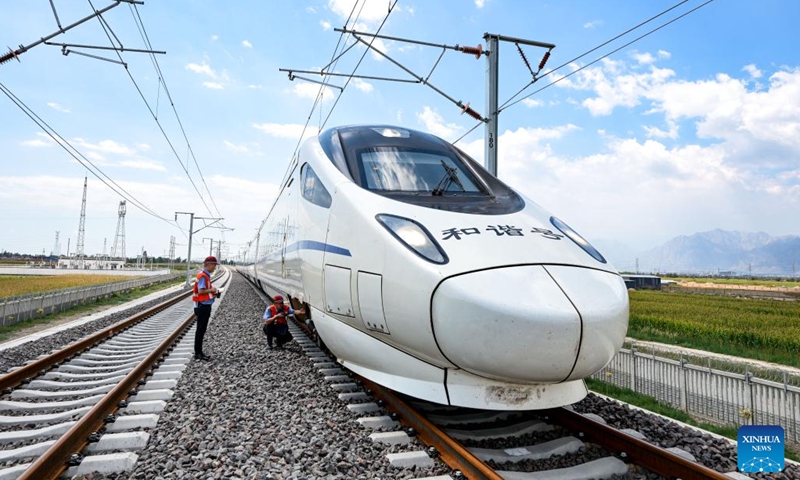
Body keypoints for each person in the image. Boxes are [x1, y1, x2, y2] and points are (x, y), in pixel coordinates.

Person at [192, 256, 220, 360]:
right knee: (200, 330)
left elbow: (204, 292)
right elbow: (201, 291)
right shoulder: (203, 276)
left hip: (203, 305)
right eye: (214, 265)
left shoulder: (205, 276)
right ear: (209, 264)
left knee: (201, 329)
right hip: (202, 306)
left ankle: (198, 352)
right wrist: (212, 289)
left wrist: (214, 293)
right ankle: (198, 353)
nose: (215, 268)